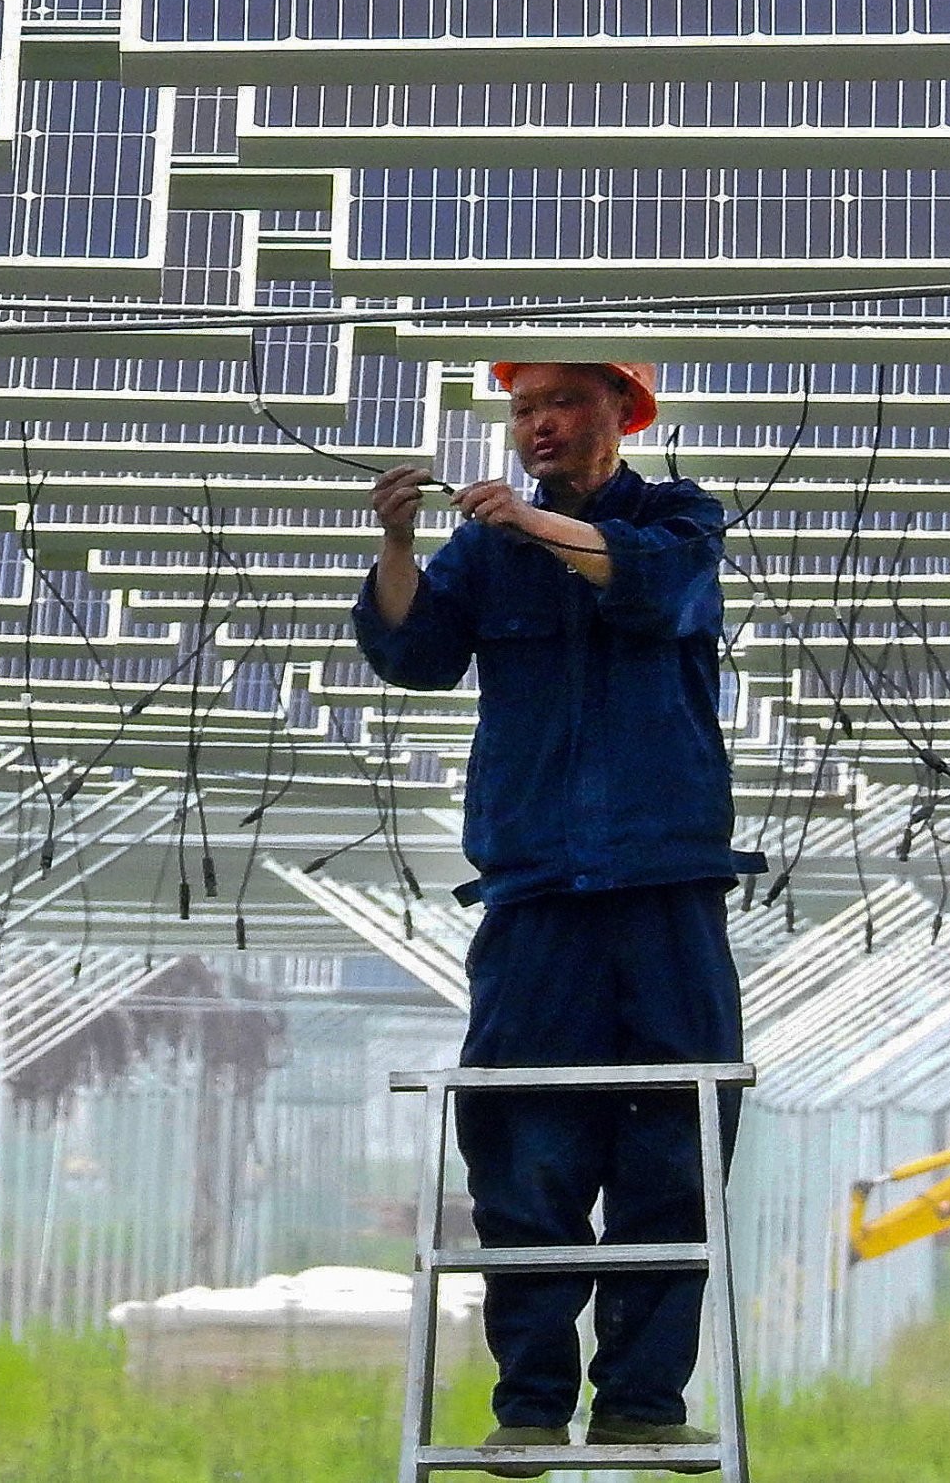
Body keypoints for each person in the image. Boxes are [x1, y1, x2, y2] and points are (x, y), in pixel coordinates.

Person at [357, 361, 756, 1474]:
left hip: (664, 887)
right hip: (534, 895)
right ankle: (528, 1403)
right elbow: (416, 654)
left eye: (561, 406)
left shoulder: (676, 516)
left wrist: (527, 520)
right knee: (525, 1146)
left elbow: (647, 585)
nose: (537, 426)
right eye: (524, 410)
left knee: (673, 1148)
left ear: (620, 417)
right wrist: (398, 544)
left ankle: (639, 1398)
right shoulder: (482, 550)